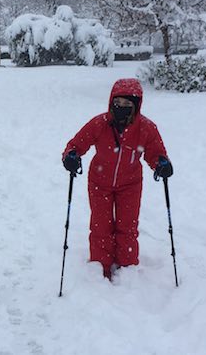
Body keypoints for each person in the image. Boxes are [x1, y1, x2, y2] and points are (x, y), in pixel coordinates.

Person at [62, 78, 173, 282]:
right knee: (100, 225)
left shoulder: (146, 128)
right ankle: (100, 265)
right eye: (118, 104)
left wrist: (161, 164)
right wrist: (71, 156)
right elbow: (76, 144)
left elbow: (155, 153)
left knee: (127, 226)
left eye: (127, 105)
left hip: (130, 184)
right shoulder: (100, 123)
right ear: (111, 102)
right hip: (99, 182)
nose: (121, 108)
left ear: (136, 106)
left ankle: (127, 266)